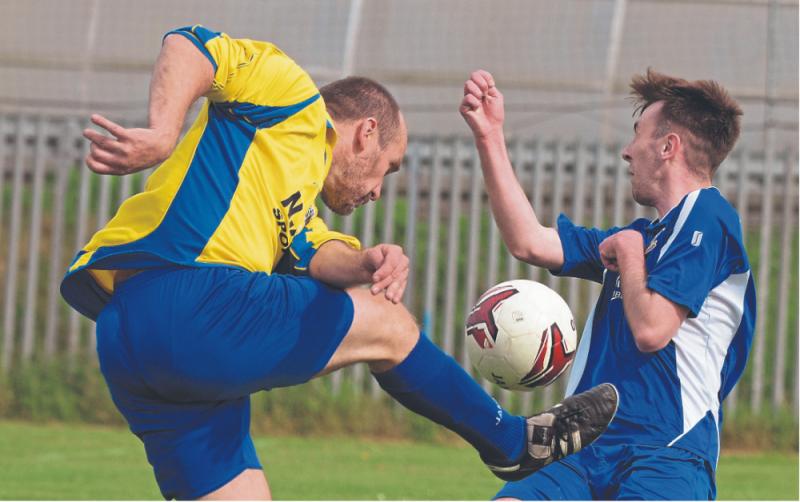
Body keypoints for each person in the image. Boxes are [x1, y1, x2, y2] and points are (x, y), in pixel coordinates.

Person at [60, 26, 618, 500]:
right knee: (388, 324)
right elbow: (190, 44)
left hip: (126, 338)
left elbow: (320, 255)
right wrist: (162, 133)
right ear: (365, 132)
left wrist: (368, 260)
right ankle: (513, 444)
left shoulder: (294, 206)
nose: (378, 191)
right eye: (388, 169)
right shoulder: (292, 98)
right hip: (186, 299)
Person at [460, 68, 756, 500]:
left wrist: (631, 253)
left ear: (668, 147)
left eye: (638, 134)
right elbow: (529, 242)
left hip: (666, 454)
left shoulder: (709, 217)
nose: (626, 151)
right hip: (578, 448)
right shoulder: (641, 237)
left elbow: (652, 330)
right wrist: (489, 136)